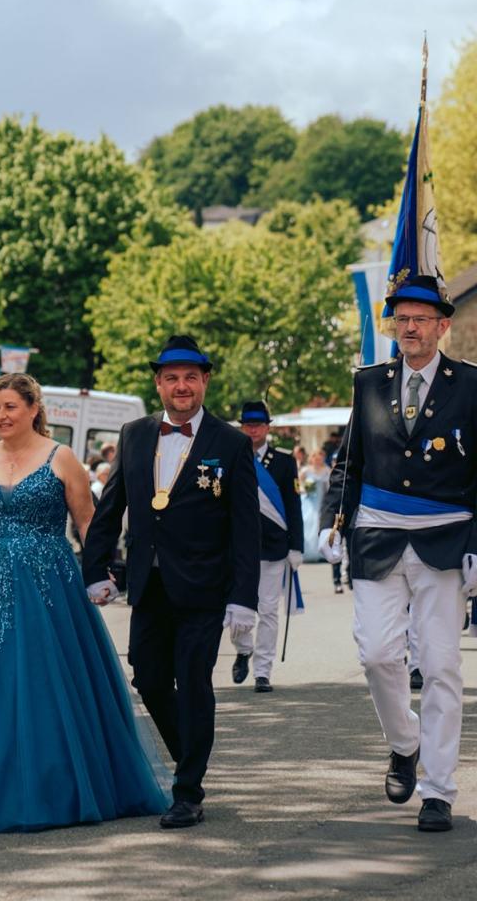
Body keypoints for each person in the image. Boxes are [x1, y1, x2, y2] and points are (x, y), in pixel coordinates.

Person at [0, 373, 170, 831]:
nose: (0, 416)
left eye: (10, 407)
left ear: (33, 409)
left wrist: (100, 576)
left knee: (48, 682)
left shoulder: (62, 459)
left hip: (49, 588)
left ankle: (58, 784)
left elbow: (88, 523)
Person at [319, 274, 477, 833]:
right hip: (378, 535)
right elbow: (350, 461)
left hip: (445, 539)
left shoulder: (471, 385)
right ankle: (404, 743)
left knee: (440, 665)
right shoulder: (369, 383)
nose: (410, 328)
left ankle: (437, 790)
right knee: (377, 654)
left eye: (421, 319)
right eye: (402, 319)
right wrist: (333, 519)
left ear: (442, 325)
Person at [83, 335, 259, 829]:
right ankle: (190, 756)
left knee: (195, 681)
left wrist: (244, 599)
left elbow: (246, 528)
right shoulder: (135, 433)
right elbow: (111, 505)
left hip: (205, 587)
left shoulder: (231, 443)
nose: (181, 386)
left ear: (204, 382)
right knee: (150, 677)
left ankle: (188, 792)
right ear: (158, 383)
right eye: (172, 378)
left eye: (190, 377)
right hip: (149, 585)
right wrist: (95, 568)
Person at [229, 401, 304, 693]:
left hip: (273, 547)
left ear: (267, 427)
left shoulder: (284, 462)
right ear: (242, 427)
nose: (253, 430)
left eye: (258, 425)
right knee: (235, 608)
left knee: (269, 610)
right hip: (237, 547)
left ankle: (263, 671)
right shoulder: (233, 456)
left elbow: (293, 506)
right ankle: (243, 648)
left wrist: (296, 546)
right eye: (248, 425)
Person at [300, 449, 332, 568]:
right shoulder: (305, 470)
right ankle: (308, 552)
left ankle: (321, 552)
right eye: (316, 458)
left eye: (320, 458)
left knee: (320, 525)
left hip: (322, 502)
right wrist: (304, 489)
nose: (318, 460)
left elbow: (330, 487)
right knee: (308, 523)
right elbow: (297, 484)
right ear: (312, 459)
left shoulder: (327, 470)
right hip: (308, 501)